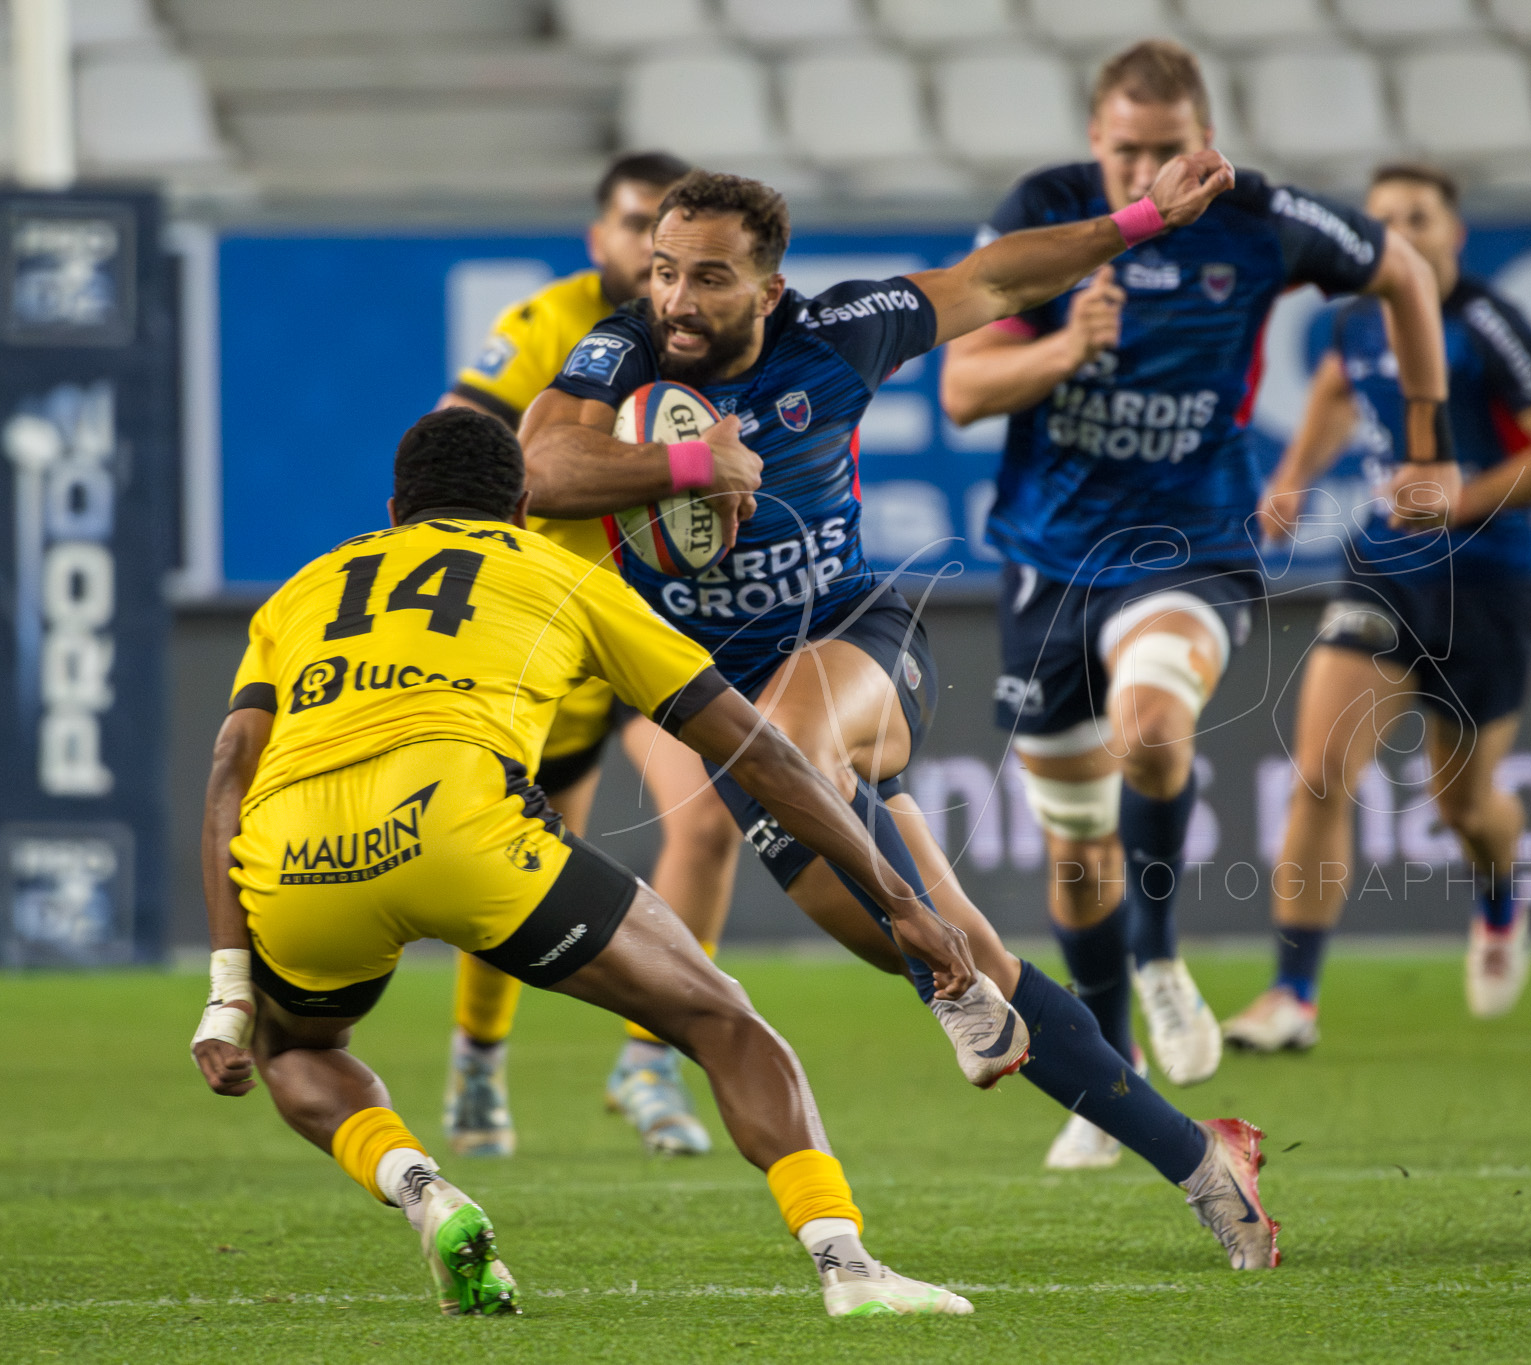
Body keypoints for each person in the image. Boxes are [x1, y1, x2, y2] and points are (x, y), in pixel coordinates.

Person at [519, 164, 1282, 1269]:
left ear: (770, 289)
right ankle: (1205, 1162)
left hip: (858, 651)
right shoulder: (627, 350)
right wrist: (688, 461)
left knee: (801, 745)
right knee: (953, 952)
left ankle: (943, 972)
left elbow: (994, 279)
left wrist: (1139, 221)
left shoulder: (838, 336)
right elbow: (536, 463)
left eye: (712, 278)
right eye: (665, 271)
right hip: (733, 723)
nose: (678, 299)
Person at [188, 408, 975, 1318]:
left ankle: (421, 1188)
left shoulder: (301, 589)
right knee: (723, 1022)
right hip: (460, 832)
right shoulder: (560, 572)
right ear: (524, 503)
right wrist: (896, 897)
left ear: (394, 507)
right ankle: (847, 1265)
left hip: (295, 854)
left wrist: (227, 990)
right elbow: (758, 751)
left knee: (294, 1047)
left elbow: (226, 775)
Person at [938, 40, 1452, 1169]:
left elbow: (1405, 275)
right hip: (1047, 561)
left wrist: (1426, 440)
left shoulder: (1262, 220)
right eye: (1124, 150)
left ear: (1204, 146)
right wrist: (1067, 346)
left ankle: (1162, 951)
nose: (1145, 173)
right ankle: (1103, 1077)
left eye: (1168, 152)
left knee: (1154, 720)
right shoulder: (1046, 217)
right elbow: (963, 388)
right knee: (1076, 854)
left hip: (1191, 546)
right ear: (1093, 142)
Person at [1227, 163, 1531, 1047]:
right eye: (1386, 219)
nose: (1403, 231)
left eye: (1420, 217)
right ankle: (1293, 996)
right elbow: (1333, 391)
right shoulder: (1359, 319)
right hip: (1384, 570)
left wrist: (1460, 499)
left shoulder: (1490, 326)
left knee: (1463, 807)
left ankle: (1502, 896)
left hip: (1486, 583)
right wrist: (1287, 481)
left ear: (1454, 233)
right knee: (1319, 770)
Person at [439, 151, 740, 1158]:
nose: (650, 250)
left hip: (659, 626)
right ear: (599, 238)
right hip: (552, 632)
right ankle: (479, 1060)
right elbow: (455, 439)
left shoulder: (714, 338)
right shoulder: (547, 328)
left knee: (705, 826)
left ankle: (648, 1059)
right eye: (632, 226)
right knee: (511, 868)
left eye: (668, 235)